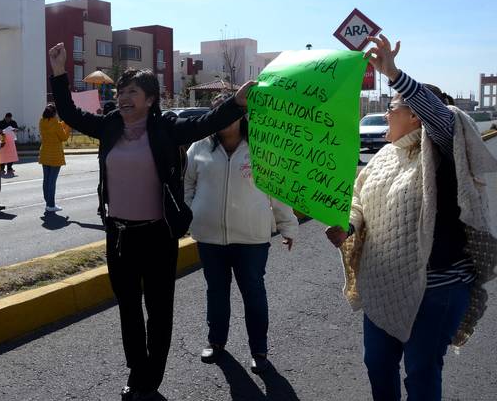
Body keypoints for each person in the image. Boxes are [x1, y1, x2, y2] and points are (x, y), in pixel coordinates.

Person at [48, 42, 253, 401]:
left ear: (150, 99)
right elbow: (69, 113)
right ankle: (136, 370)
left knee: (158, 311)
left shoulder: (166, 128)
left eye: (132, 92)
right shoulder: (111, 125)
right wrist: (59, 72)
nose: (123, 97)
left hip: (158, 235)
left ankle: (150, 378)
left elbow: (207, 122)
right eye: (120, 91)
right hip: (118, 234)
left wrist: (236, 103)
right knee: (128, 307)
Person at [324, 35, 497, 401]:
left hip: (439, 290)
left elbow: (443, 118)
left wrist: (394, 74)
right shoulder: (385, 158)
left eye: (393, 106)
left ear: (415, 114)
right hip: (385, 286)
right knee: (378, 364)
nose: (386, 112)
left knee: (420, 374)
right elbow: (359, 200)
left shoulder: (445, 151)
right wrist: (348, 224)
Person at [184, 93, 298, 372]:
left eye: (230, 110)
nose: (224, 116)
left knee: (254, 294)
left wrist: (287, 225)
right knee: (216, 293)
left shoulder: (261, 147)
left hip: (252, 239)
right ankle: (216, 342)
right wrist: (190, 214)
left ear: (242, 114)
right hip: (209, 237)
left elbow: (278, 191)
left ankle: (259, 350)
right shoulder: (199, 147)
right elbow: (187, 184)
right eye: (218, 110)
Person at [38, 103, 71, 212]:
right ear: (54, 113)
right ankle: (51, 205)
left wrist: (63, 123)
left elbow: (55, 126)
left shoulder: (42, 122)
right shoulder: (55, 123)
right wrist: (68, 126)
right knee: (52, 181)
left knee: (46, 180)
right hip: (55, 156)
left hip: (44, 154)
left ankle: (48, 202)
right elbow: (64, 137)